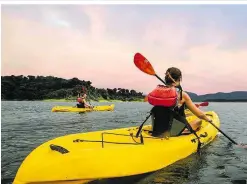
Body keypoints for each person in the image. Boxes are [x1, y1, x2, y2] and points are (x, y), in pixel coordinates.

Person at [147, 67, 212, 137]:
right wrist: (208, 119)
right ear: (179, 79)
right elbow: (200, 115)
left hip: (157, 128)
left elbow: (166, 109)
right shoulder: (181, 94)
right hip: (172, 131)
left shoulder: (158, 92)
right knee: (198, 121)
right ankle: (184, 131)